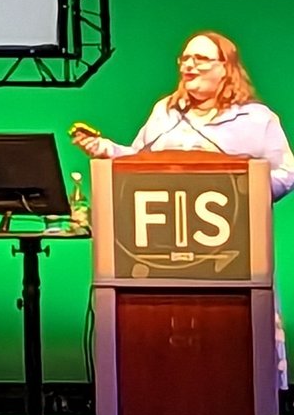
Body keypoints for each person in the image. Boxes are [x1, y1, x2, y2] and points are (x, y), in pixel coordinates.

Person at [72, 30, 293, 386]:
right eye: (185, 58)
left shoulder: (256, 119)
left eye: (200, 58)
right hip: (164, 254)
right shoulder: (166, 113)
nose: (189, 65)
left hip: (231, 256)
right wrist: (107, 150)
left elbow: (286, 172)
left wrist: (247, 190)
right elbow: (140, 163)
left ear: (226, 68)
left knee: (229, 354)